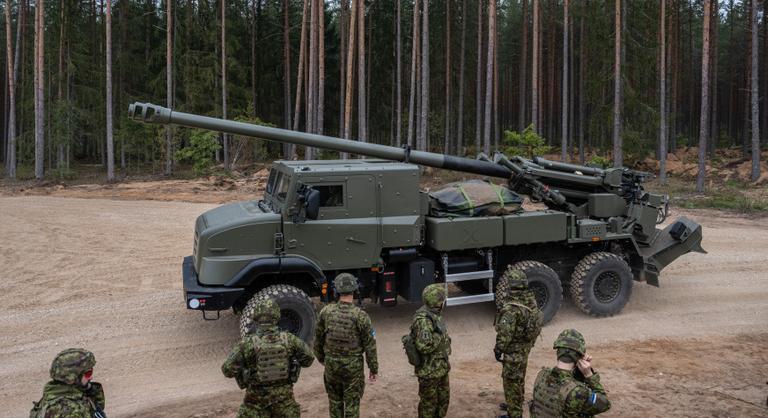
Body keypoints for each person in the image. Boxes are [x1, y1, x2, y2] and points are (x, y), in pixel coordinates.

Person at [222, 297, 315, 417]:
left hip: (255, 407)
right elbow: (308, 360)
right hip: (285, 405)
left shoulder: (246, 344)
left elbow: (227, 370)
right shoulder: (290, 340)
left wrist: (245, 370)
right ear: (277, 316)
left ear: (256, 318)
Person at [314, 273, 378, 418]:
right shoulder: (361, 316)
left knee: (335, 403)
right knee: (352, 405)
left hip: (331, 365)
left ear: (336, 291)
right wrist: (373, 369)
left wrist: (324, 359)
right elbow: (370, 346)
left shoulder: (326, 312)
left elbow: (317, 340)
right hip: (353, 368)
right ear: (355, 291)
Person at [494, 268, 542, 418]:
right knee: (519, 376)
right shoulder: (530, 300)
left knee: (511, 381)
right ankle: (516, 401)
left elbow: (505, 334)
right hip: (525, 348)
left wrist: (498, 349)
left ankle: (514, 413)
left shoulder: (511, 308)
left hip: (513, 351)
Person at [531, 329, 611, 418]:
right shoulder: (578, 392)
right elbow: (605, 404)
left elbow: (565, 382)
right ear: (579, 356)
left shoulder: (541, 375)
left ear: (558, 352)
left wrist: (578, 372)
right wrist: (589, 375)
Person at [410, 283, 452, 418]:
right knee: (429, 406)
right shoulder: (423, 320)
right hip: (429, 372)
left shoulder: (435, 314)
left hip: (441, 369)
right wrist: (438, 336)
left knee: (443, 402)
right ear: (438, 302)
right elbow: (424, 346)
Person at [30, 348, 106, 418]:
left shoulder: (56, 395)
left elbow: (97, 409)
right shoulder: (69, 411)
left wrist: (89, 389)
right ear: (73, 377)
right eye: (88, 373)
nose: (90, 377)